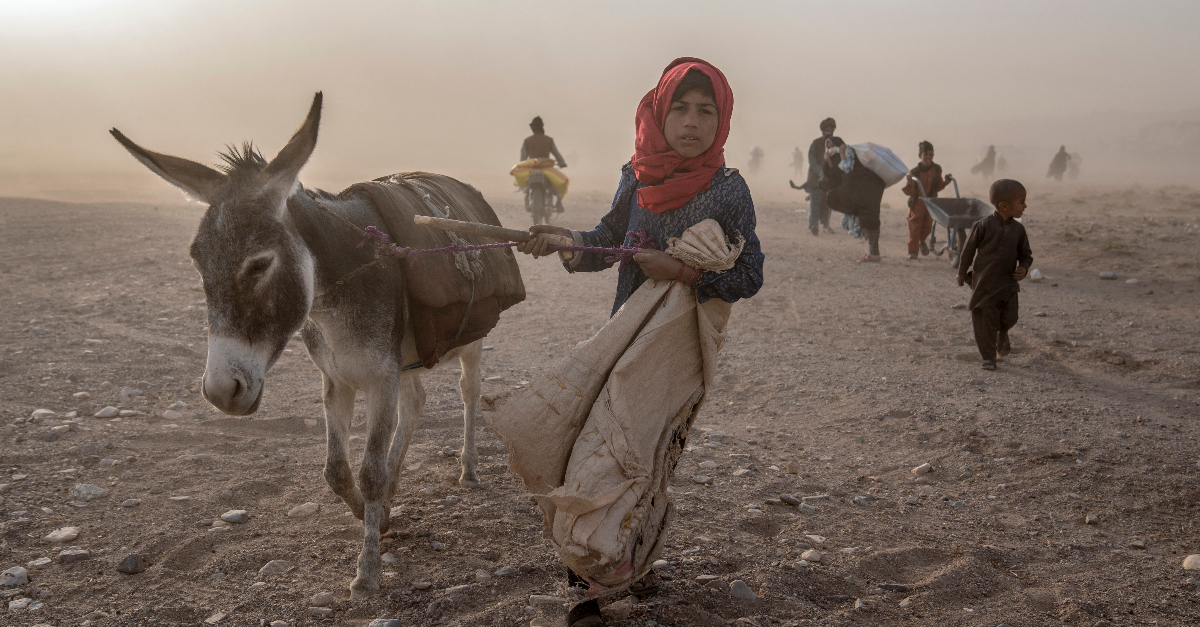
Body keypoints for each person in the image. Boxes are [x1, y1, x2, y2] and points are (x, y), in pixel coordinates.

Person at [517, 57, 763, 627]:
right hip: (622, 334)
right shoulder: (638, 173)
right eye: (681, 107)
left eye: (707, 110)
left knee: (647, 460)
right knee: (595, 452)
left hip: (676, 352)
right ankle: (590, 584)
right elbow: (607, 239)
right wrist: (562, 241)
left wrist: (680, 272)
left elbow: (750, 273)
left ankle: (624, 562)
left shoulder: (729, 190)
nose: (692, 121)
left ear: (722, 120)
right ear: (659, 110)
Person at [956, 179, 1033, 371]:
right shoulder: (982, 226)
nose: (1025, 206)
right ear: (1004, 206)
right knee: (985, 321)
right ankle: (988, 357)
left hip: (1008, 284)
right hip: (985, 284)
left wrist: (1023, 268)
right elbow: (967, 251)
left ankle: (1003, 333)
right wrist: (961, 272)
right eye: (1021, 202)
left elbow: (1026, 255)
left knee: (1010, 317)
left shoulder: (1018, 230)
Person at [823, 137, 884, 261]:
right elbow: (833, 179)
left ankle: (874, 255)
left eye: (833, 145)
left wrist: (841, 154)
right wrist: (829, 162)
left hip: (868, 189)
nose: (831, 149)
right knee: (869, 220)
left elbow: (847, 170)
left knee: (870, 220)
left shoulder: (850, 154)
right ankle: (873, 253)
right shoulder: (830, 160)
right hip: (860, 194)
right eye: (828, 147)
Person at [901, 141, 953, 259]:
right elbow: (910, 191)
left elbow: (938, 186)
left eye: (931, 155)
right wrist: (910, 182)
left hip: (931, 202)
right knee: (915, 226)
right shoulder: (914, 172)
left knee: (928, 225)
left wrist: (946, 182)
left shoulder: (937, 169)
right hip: (917, 203)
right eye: (926, 155)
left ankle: (922, 241)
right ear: (920, 156)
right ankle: (913, 251)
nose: (928, 157)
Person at [522, 116, 568, 211]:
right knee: (560, 182)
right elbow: (557, 154)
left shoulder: (527, 141)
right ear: (542, 127)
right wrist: (562, 163)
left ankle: (527, 199)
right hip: (547, 168)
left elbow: (523, 158)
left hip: (532, 168)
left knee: (525, 185)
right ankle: (559, 203)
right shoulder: (549, 140)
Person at [804, 118, 837, 236]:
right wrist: (821, 172)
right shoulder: (815, 143)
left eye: (830, 129)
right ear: (822, 131)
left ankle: (825, 225)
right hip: (815, 178)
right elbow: (812, 161)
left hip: (829, 179)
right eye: (826, 130)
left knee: (827, 202)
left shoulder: (836, 145)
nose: (828, 132)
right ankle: (813, 225)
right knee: (815, 200)